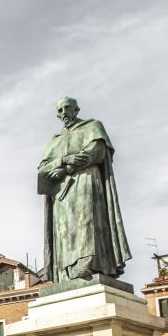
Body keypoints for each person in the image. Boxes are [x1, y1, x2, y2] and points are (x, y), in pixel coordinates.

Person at [37, 97, 132, 284]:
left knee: (86, 221)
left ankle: (89, 263)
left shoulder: (92, 127)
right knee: (65, 230)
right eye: (60, 110)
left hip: (86, 180)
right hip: (61, 192)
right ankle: (66, 272)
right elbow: (42, 169)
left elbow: (96, 152)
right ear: (58, 115)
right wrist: (62, 161)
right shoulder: (54, 140)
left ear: (76, 110)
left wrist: (67, 168)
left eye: (68, 108)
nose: (64, 112)